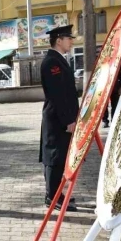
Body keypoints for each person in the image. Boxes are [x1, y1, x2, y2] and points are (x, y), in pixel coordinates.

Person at [39, 25, 79, 212]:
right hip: (57, 119)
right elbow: (57, 95)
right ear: (59, 40)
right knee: (54, 157)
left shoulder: (58, 60)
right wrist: (67, 120)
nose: (71, 42)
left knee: (60, 156)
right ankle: (51, 197)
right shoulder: (51, 63)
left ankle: (57, 193)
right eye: (68, 38)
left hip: (61, 118)